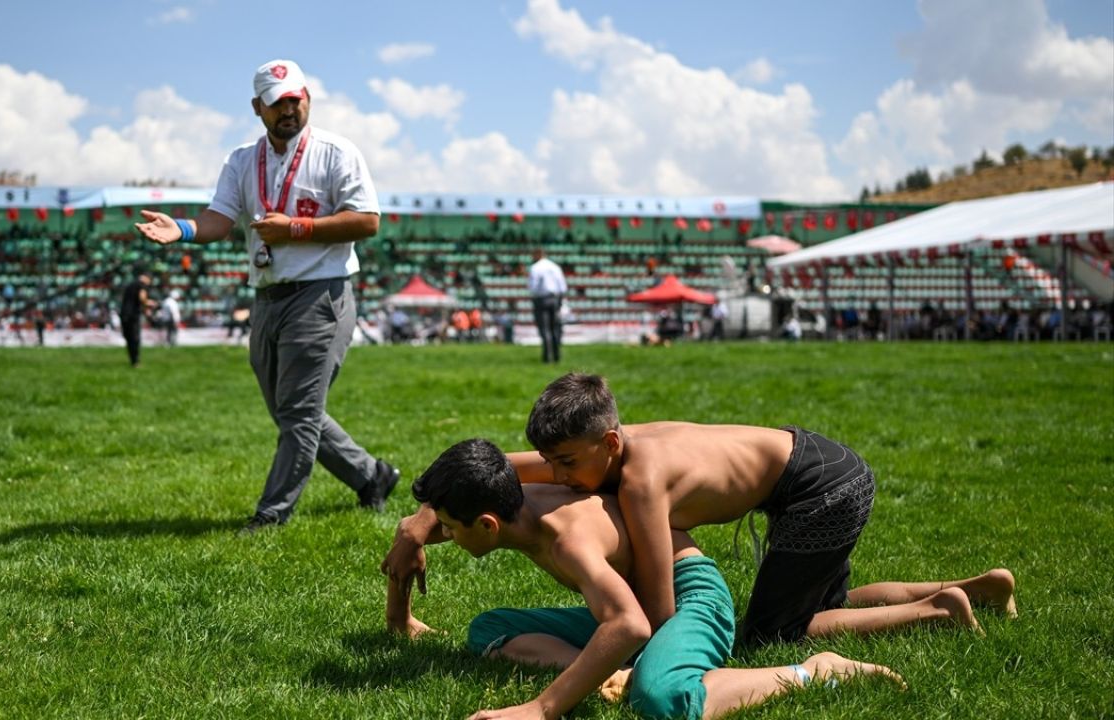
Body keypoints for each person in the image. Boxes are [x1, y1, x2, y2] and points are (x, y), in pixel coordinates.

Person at [384, 373, 1017, 651]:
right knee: (824, 603)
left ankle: (936, 614)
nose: (558, 479)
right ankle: (972, 590)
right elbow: (501, 469)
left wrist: (631, 647)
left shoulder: (639, 486)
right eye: (554, 462)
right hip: (820, 466)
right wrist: (422, 521)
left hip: (819, 489)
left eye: (567, 465)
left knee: (774, 634)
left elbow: (659, 611)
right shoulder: (611, 446)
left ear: (606, 444)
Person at [385, 439, 906, 720]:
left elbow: (631, 624)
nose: (443, 536)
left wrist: (540, 709)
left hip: (690, 596)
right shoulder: (508, 489)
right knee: (489, 628)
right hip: (635, 600)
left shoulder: (568, 541)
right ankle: (614, 674)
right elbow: (476, 468)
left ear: (487, 525)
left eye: (450, 529)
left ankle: (816, 670)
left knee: (663, 702)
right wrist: (411, 545)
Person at [134, 58, 398, 532]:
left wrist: (295, 229)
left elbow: (367, 221)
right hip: (268, 297)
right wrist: (185, 228)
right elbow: (221, 218)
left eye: (295, 99)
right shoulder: (241, 159)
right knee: (290, 409)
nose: (288, 110)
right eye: (277, 104)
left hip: (321, 294)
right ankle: (371, 475)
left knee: (298, 411)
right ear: (258, 108)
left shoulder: (337, 152)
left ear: (308, 97)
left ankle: (271, 515)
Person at [528, 247, 567, 363]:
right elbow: (563, 287)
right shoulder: (555, 267)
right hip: (555, 300)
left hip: (541, 300)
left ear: (537, 255)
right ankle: (556, 356)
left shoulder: (535, 268)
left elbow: (533, 288)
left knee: (544, 329)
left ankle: (547, 357)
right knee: (554, 328)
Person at [119, 273, 156, 367]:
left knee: (128, 338)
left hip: (124, 314)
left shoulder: (130, 284)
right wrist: (149, 303)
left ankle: (133, 359)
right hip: (133, 315)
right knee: (135, 338)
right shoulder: (142, 285)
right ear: (147, 279)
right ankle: (135, 362)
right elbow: (142, 298)